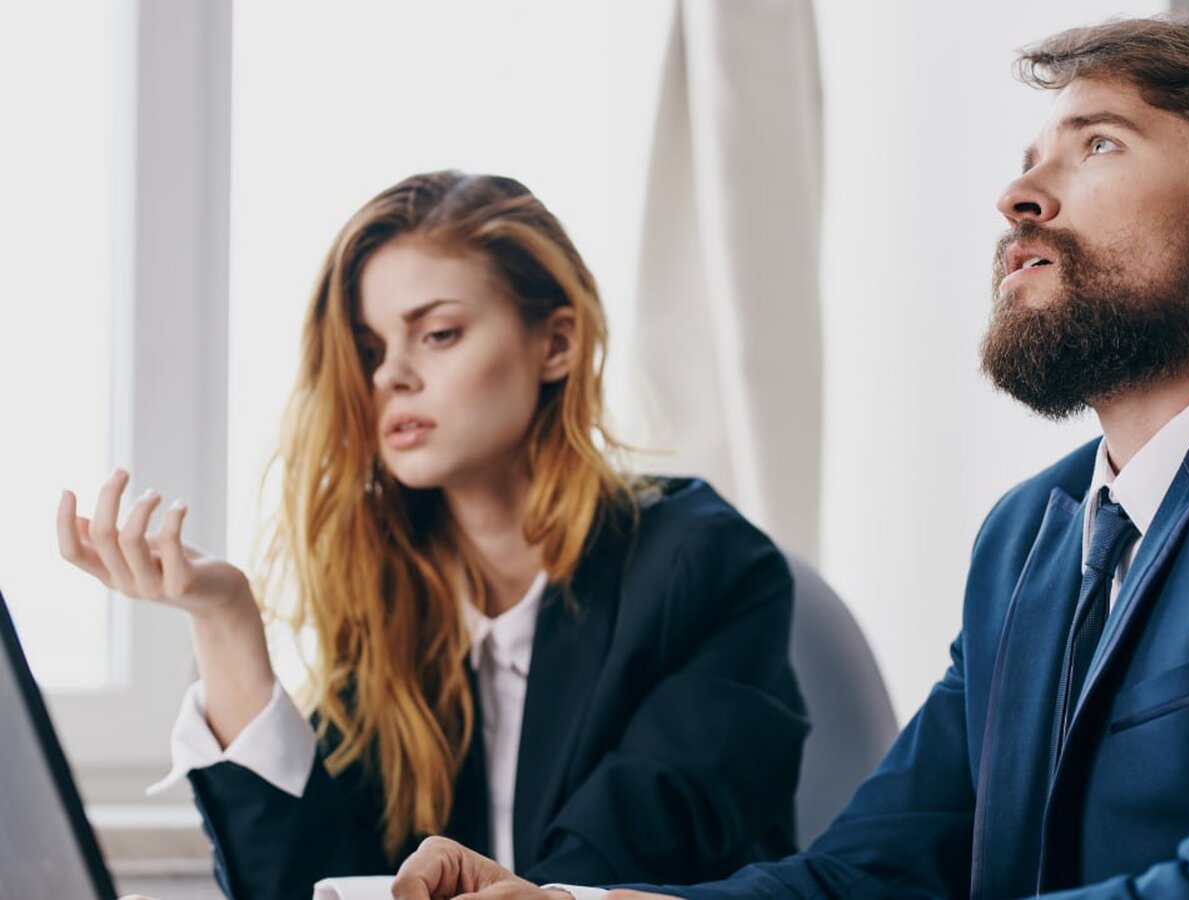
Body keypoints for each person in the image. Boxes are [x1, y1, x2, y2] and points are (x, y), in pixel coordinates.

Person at [389, 16, 1189, 900]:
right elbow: (869, 869)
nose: (1017, 196)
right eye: (1029, 158)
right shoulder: (1022, 542)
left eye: (1099, 144)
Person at [57, 171, 807, 898]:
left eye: (438, 334)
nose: (391, 376)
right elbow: (312, 887)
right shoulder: (394, 597)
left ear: (557, 344)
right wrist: (225, 621)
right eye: (371, 350)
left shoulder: (707, 568)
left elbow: (600, 873)